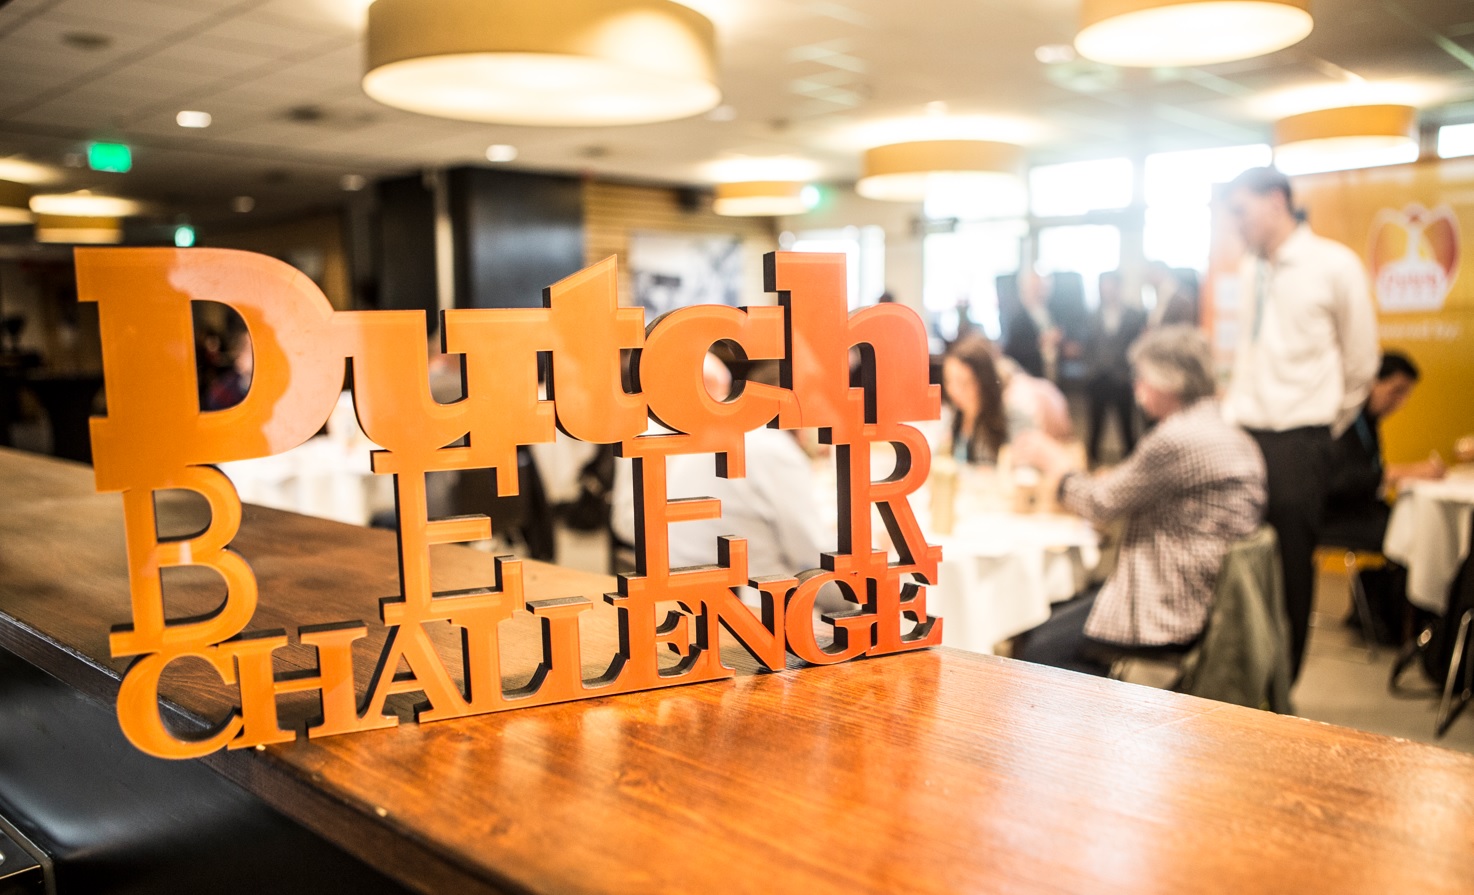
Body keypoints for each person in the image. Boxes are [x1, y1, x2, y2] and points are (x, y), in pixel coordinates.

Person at [1010, 326, 1266, 675]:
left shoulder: (1176, 438)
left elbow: (1100, 503)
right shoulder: (1228, 431)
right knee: (1056, 613)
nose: (1136, 388)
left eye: (1142, 378)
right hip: (1209, 596)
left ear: (1169, 381)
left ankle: (1109, 704)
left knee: (1039, 646)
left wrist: (1056, 462)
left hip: (1170, 605)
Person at [1223, 166, 1380, 681]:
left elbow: (1361, 363)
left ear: (1276, 201)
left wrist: (1323, 425)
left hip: (1301, 438)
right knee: (1242, 560)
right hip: (1246, 435)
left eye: (1241, 211)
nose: (1236, 224)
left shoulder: (1334, 265)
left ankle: (1282, 687)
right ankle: (1240, 672)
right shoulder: (1251, 267)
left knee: (1292, 564)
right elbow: (1248, 353)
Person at [1321, 351, 1444, 642]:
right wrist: (1403, 472)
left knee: (1419, 527)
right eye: (1395, 391)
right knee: (1413, 533)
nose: (1399, 402)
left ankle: (1404, 620)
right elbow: (1340, 482)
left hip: (1361, 511)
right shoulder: (1344, 419)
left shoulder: (1368, 422)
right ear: (1373, 382)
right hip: (1334, 518)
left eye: (1405, 395)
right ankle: (1397, 621)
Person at [1083, 270, 1146, 464]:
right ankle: (1090, 464)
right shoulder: (1091, 315)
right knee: (1094, 427)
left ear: (1119, 287)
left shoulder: (1135, 315)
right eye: (1104, 287)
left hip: (1122, 379)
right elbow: (1087, 345)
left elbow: (1139, 346)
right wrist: (1090, 368)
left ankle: (1132, 466)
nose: (1108, 291)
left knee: (1127, 427)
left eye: (1111, 286)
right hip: (1098, 378)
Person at [942, 336, 1009, 464]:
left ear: (983, 381)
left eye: (964, 383)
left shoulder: (1006, 417)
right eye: (948, 380)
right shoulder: (954, 415)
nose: (954, 391)